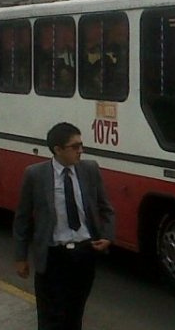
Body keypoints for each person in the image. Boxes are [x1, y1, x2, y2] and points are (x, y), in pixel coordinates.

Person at [13, 122, 115, 330]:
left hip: (84, 254)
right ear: (57, 150)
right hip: (52, 257)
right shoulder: (35, 175)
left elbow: (106, 209)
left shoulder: (90, 169)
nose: (81, 151)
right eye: (75, 147)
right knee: (51, 317)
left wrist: (107, 236)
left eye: (81, 145)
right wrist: (21, 257)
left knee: (74, 313)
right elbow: (22, 217)